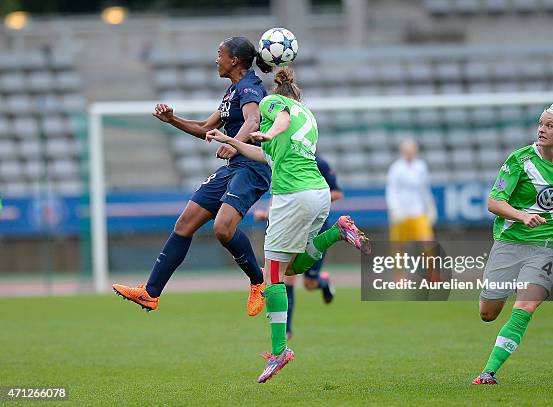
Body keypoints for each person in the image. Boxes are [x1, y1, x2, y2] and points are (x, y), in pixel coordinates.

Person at [206, 67, 370, 383]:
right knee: (292, 267)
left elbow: (278, 117)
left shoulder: (273, 104)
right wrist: (230, 139)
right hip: (318, 193)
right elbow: (264, 155)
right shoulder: (307, 116)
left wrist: (269, 131)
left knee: (272, 274)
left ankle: (280, 350)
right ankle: (338, 230)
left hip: (292, 194)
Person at [112, 37, 273, 317]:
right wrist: (173, 120)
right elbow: (205, 127)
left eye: (219, 54)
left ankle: (258, 281)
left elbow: (253, 120)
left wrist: (232, 141)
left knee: (223, 229)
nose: (216, 59)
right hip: (234, 167)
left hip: (251, 167)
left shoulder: (250, 87)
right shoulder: (232, 92)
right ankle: (151, 293)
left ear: (234, 60)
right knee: (185, 223)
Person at [472, 104, 553, 385]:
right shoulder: (520, 160)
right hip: (510, 241)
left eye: (549, 126)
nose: (542, 129)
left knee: (526, 305)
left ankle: (488, 373)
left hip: (547, 244)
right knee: (488, 313)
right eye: (541, 124)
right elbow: (494, 202)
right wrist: (522, 216)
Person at [254, 154, 344, 340]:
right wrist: (268, 213)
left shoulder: (319, 163)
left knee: (310, 284)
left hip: (315, 226)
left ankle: (323, 282)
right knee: (287, 275)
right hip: (291, 222)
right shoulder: (284, 160)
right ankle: (287, 329)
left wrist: (308, 198)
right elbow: (281, 195)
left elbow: (337, 192)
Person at [385, 139, 436, 242]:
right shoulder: (396, 168)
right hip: (401, 213)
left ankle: (432, 259)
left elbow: (425, 189)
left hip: (418, 211)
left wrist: (430, 206)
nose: (409, 153)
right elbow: (391, 190)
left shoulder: (421, 166)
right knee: (398, 246)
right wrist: (394, 208)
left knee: (428, 241)